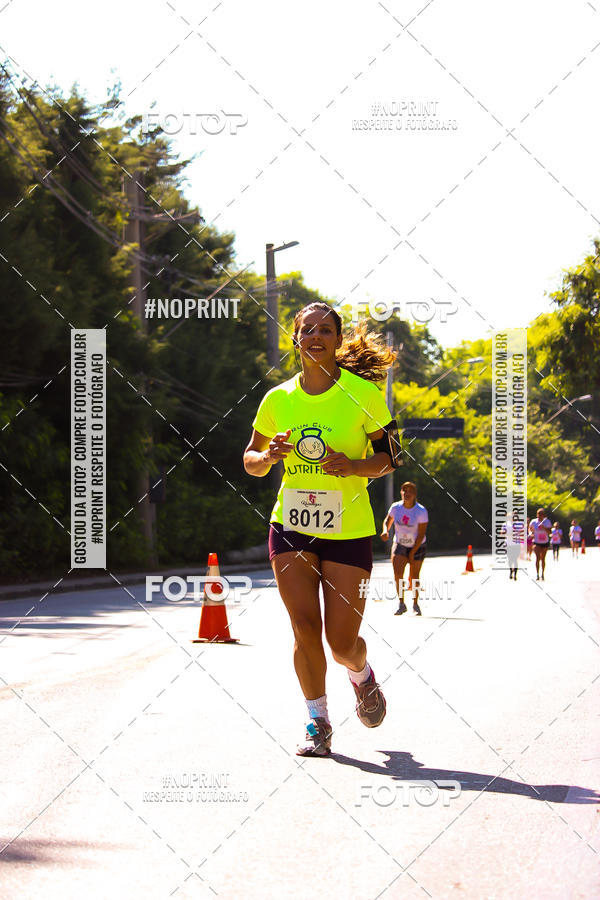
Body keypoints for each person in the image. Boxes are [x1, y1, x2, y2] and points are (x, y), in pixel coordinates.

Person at [243, 302, 402, 757]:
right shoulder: (277, 399)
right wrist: (268, 456)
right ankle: (318, 722)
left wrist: (353, 465)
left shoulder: (363, 395)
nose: (315, 336)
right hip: (290, 525)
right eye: (306, 329)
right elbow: (250, 462)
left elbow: (392, 457)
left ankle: (361, 674)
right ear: (295, 339)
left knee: (341, 642)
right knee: (303, 628)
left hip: (349, 528)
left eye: (325, 330)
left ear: (336, 339)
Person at [381, 483, 428, 614]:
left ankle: (415, 604)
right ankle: (401, 603)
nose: (407, 493)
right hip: (400, 544)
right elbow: (387, 521)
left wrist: (412, 552)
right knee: (398, 574)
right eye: (404, 490)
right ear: (401, 492)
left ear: (415, 494)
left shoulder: (421, 511)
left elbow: (421, 534)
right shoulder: (396, 508)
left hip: (418, 545)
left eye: (410, 491)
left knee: (414, 576)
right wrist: (385, 531)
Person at [529, 509, 551, 580]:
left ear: (543, 515)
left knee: (543, 558)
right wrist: (531, 534)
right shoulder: (533, 521)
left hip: (545, 542)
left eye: (541, 514)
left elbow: (549, 532)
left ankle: (543, 574)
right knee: (537, 558)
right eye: (538, 514)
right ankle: (537, 574)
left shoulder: (547, 522)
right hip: (536, 542)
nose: (539, 515)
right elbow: (530, 529)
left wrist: (544, 527)